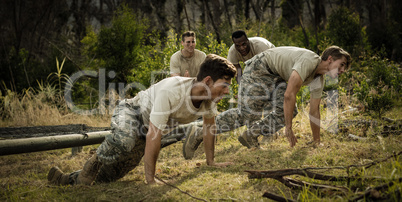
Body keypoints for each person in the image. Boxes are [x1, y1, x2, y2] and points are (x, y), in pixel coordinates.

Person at [48, 54, 237, 186]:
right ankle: (92, 165)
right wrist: (151, 180)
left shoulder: (209, 100)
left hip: (145, 130)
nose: (227, 91)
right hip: (132, 112)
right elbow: (155, 135)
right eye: (225, 85)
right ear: (208, 81)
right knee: (124, 140)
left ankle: (65, 180)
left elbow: (209, 128)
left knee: (110, 176)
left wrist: (211, 162)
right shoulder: (172, 91)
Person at [182, 46, 351, 159]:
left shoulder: (318, 79)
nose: (343, 70)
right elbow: (288, 95)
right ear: (329, 59)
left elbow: (314, 110)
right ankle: (198, 132)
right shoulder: (309, 61)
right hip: (260, 68)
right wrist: (289, 128)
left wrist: (316, 141)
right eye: (341, 64)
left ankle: (251, 134)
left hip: (277, 77)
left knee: (289, 112)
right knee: (247, 115)